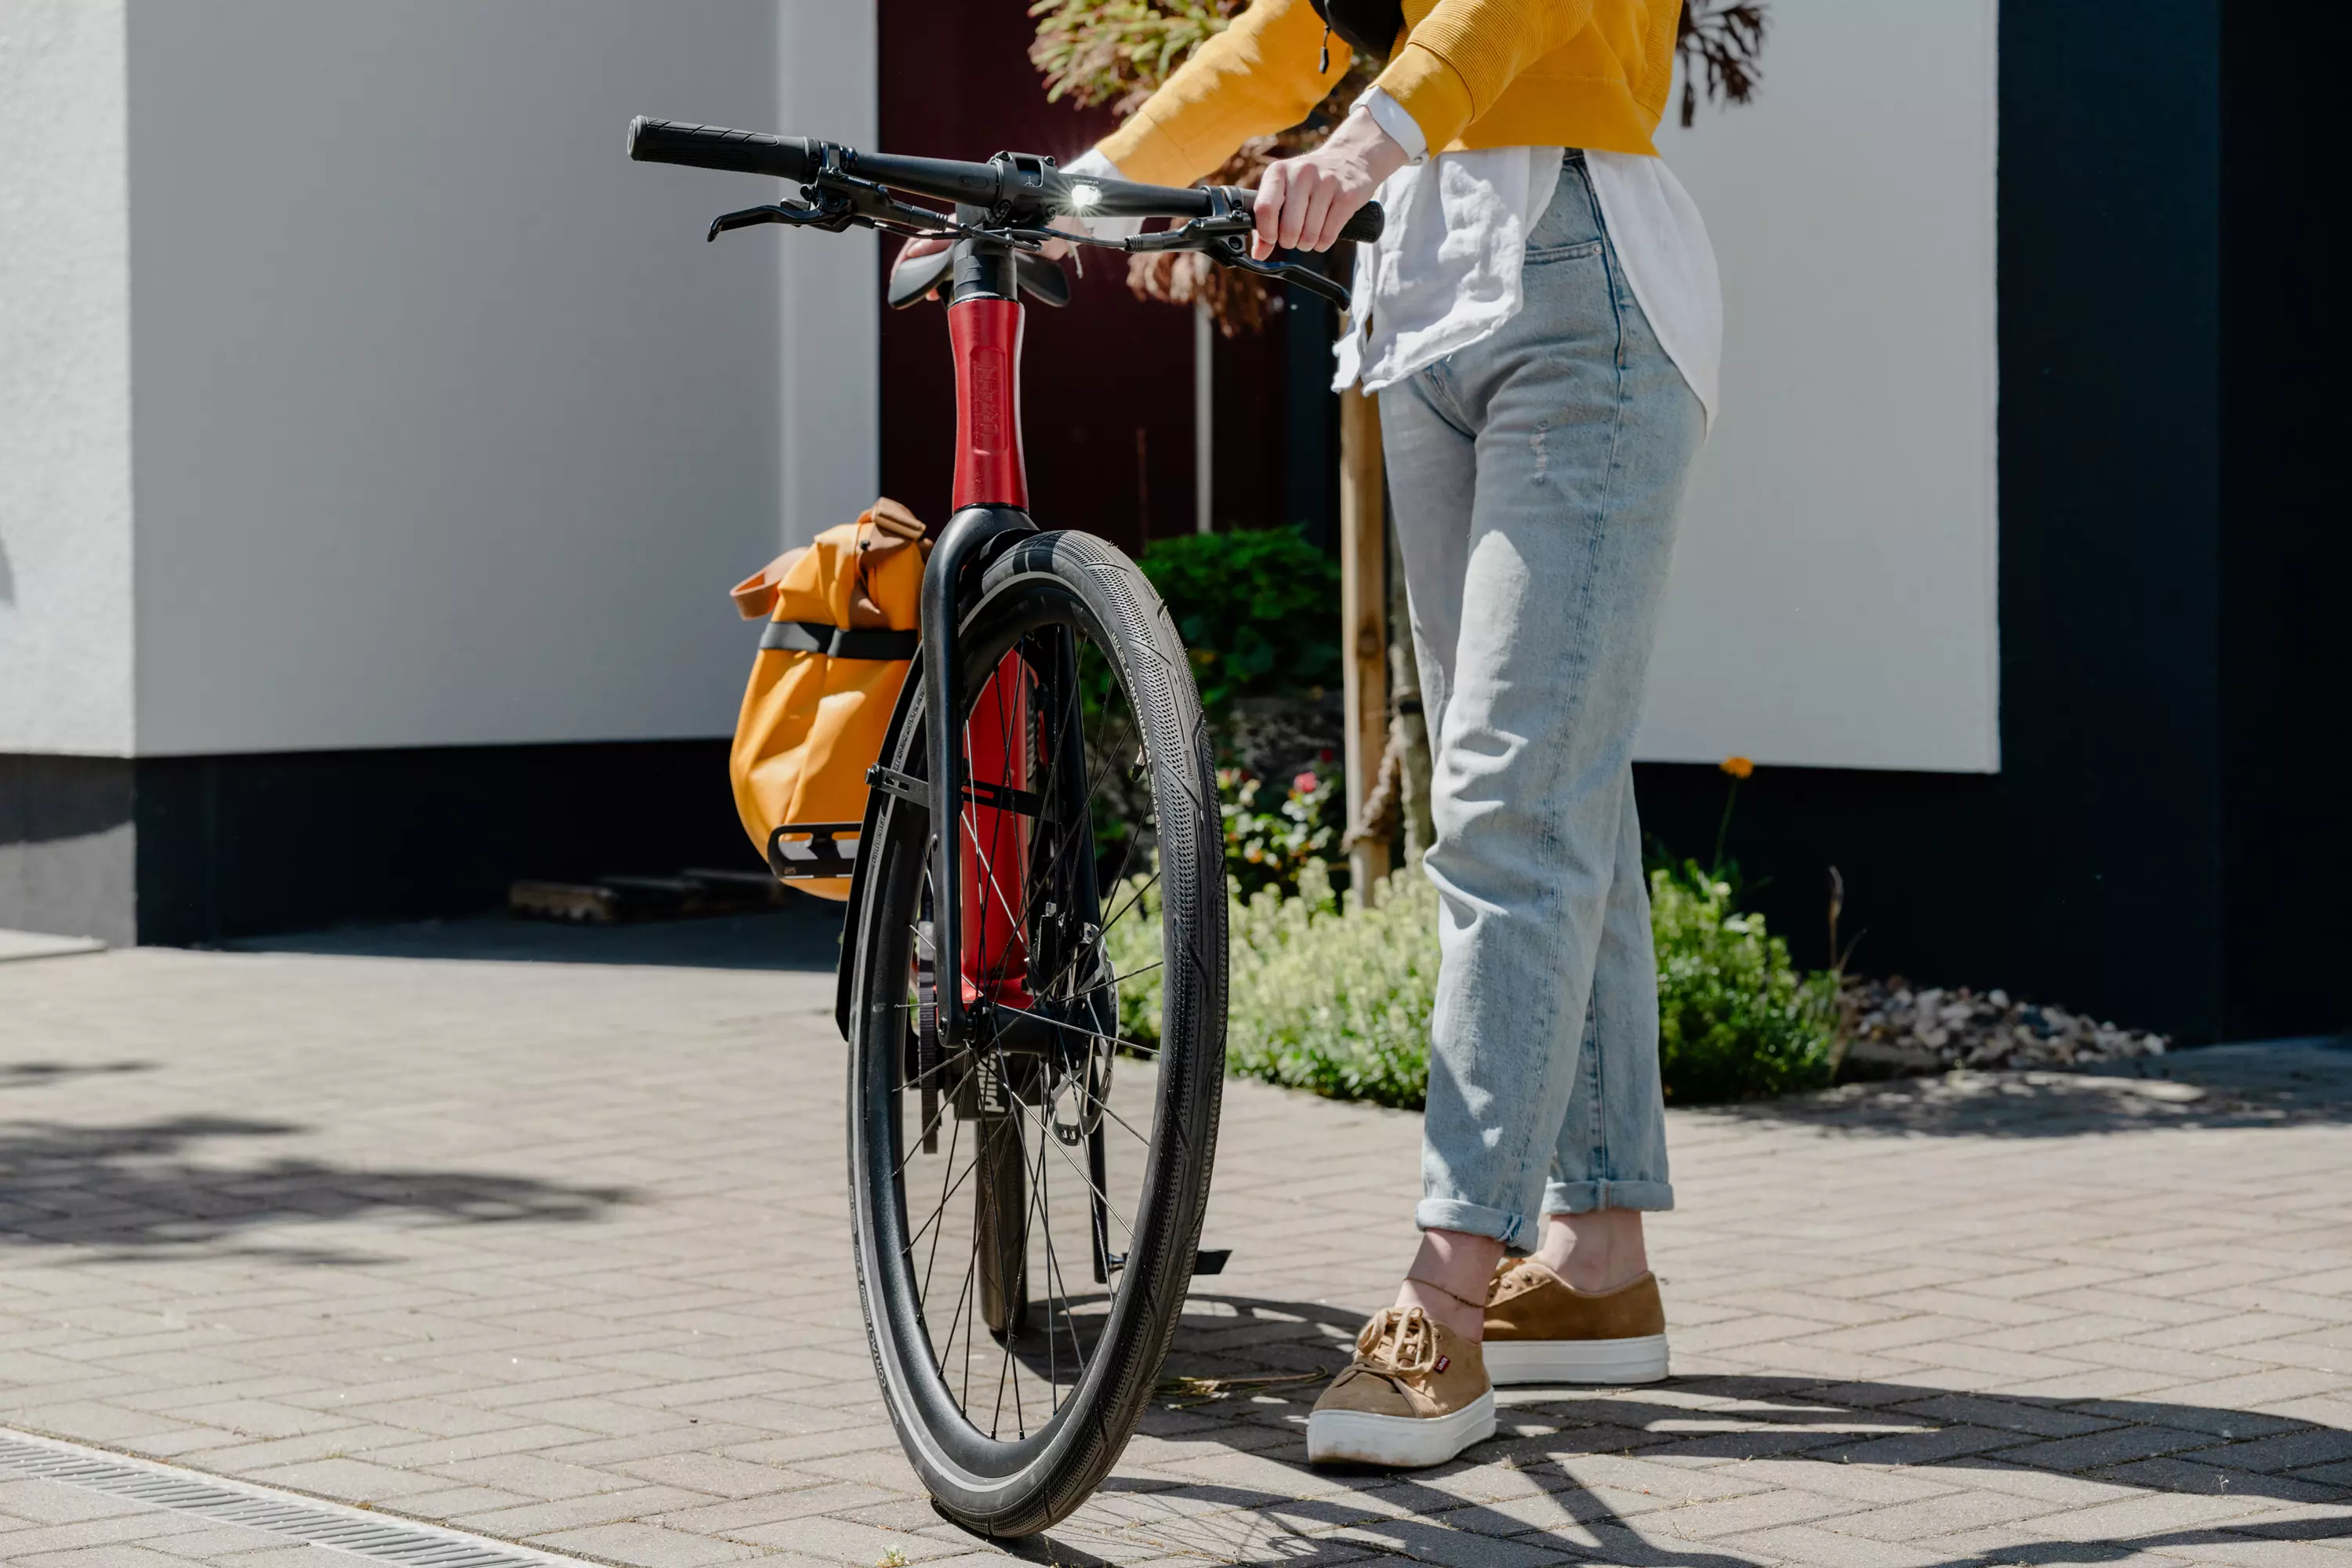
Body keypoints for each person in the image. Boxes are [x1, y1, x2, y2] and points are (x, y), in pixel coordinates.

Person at [900, 0, 1719, 1470]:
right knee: (1555, 801)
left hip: (1583, 283)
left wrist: (1368, 136)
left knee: (1507, 805)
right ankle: (1600, 1267)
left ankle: (1444, 1303)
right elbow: (1293, 28)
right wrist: (1083, 200)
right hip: (1435, 299)